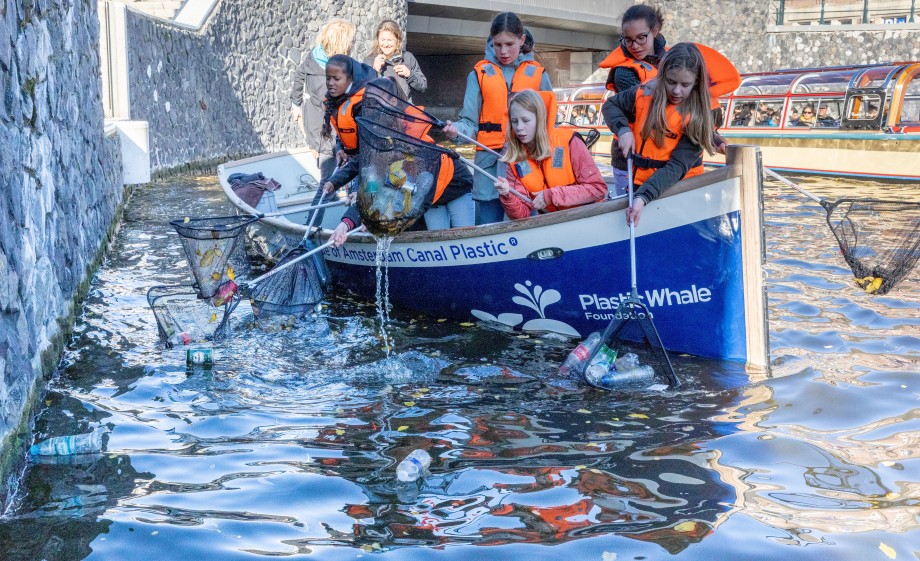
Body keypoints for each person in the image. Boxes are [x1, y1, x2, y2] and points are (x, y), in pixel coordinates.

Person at [328, 77, 474, 243]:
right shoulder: (379, 133)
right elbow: (371, 180)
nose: (373, 106)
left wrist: (375, 216)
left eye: (377, 101)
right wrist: (350, 220)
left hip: (455, 185)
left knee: (464, 239)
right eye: (370, 101)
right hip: (431, 197)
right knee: (438, 241)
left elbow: (385, 190)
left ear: (392, 100)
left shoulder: (410, 132)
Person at [441, 12, 554, 225]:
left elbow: (550, 126)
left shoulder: (539, 75)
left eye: (509, 44)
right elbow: (469, 123)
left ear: (522, 40)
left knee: (529, 222)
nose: (503, 51)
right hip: (489, 165)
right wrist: (455, 131)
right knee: (489, 225)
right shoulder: (479, 74)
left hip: (528, 162)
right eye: (497, 44)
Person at [601, 43, 718, 227]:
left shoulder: (699, 115)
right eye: (671, 82)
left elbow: (677, 166)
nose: (677, 91)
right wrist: (623, 130)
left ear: (696, 83)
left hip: (680, 193)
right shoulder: (644, 92)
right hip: (640, 186)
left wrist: (642, 198)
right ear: (662, 77)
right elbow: (610, 105)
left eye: (685, 84)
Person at [493, 90, 606, 219]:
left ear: (540, 119)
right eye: (514, 121)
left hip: (588, 217)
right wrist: (508, 195)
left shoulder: (569, 142)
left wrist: (551, 195)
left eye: (525, 120)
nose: (519, 127)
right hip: (553, 222)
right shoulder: (515, 160)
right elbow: (521, 215)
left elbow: (598, 189)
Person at [597, 5, 667, 195]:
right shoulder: (623, 72)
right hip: (629, 154)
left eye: (640, 38)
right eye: (628, 40)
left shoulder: (669, 60)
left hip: (662, 153)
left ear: (654, 31)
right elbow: (647, 106)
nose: (634, 45)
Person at [290, 19, 356, 181]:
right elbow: (334, 109)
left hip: (313, 121)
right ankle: (322, 204)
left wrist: (296, 104)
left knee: (331, 173)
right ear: (342, 45)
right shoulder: (328, 79)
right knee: (328, 178)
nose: (353, 44)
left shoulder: (315, 55)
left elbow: (299, 75)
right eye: (351, 41)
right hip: (326, 132)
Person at [363, 20, 427, 103]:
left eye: (390, 40)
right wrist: (375, 70)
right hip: (380, 110)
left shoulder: (408, 57)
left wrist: (409, 74)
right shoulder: (369, 60)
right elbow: (364, 90)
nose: (385, 44)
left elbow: (423, 87)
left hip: (403, 111)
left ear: (398, 40)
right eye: (382, 39)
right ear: (378, 40)